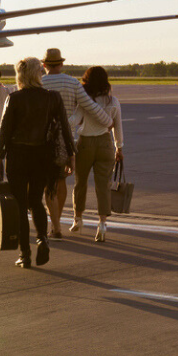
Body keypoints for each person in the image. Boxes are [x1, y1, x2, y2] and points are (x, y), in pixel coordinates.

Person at [0, 57, 74, 269]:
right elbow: (65, 128)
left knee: (20, 205)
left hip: (18, 155)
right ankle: (42, 239)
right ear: (39, 73)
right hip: (42, 156)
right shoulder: (52, 98)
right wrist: (71, 156)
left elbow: (4, 131)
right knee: (36, 200)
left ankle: (25, 254)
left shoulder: (15, 98)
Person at [40, 48, 111, 239]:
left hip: (42, 138)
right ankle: (58, 220)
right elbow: (89, 105)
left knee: (49, 183)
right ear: (61, 64)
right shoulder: (72, 83)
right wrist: (107, 120)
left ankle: (54, 224)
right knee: (61, 180)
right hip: (66, 138)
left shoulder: (38, 82)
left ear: (44, 65)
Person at [72, 66, 124, 242]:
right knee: (103, 186)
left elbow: (75, 120)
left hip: (85, 143)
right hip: (105, 143)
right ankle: (102, 224)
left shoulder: (85, 101)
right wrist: (119, 147)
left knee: (81, 183)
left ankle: (78, 219)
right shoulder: (113, 101)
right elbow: (118, 127)